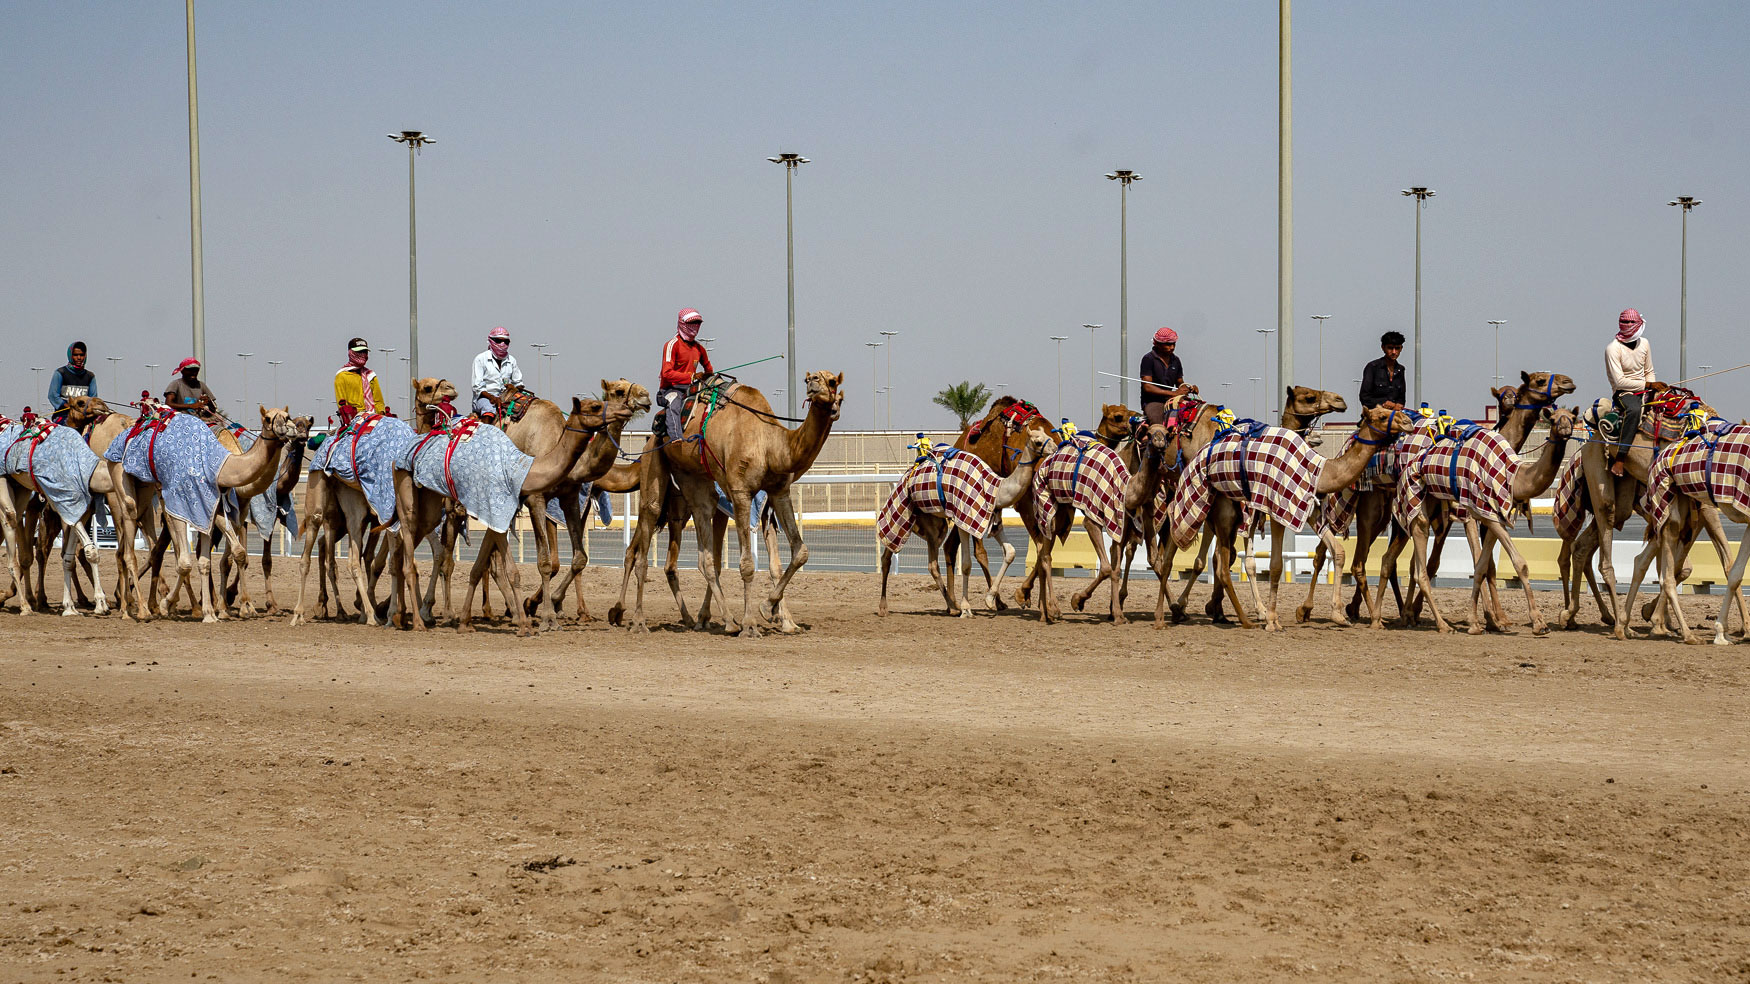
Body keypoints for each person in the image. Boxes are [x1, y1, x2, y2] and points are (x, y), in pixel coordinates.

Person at [1605, 308, 1657, 477]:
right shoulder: (1613, 349)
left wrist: (1654, 385)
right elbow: (1620, 381)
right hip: (1624, 393)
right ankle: (1620, 458)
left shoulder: (1645, 344)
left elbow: (1649, 370)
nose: (1628, 325)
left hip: (1645, 388)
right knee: (1634, 410)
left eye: (1631, 322)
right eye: (1625, 322)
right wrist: (1647, 384)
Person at [656, 308, 713, 439]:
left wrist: (707, 375)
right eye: (692, 323)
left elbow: (709, 369)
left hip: (691, 389)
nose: (695, 326)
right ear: (682, 323)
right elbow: (666, 373)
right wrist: (692, 376)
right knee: (674, 401)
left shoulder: (699, 348)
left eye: (698, 323)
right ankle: (676, 438)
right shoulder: (672, 345)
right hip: (670, 389)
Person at [1138, 326, 1195, 425]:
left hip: (1173, 400)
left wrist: (1189, 388)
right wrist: (1173, 394)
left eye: (1173, 344)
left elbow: (1180, 383)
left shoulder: (1176, 360)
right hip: (1153, 402)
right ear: (1158, 344)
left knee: (1192, 416)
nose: (1172, 347)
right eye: (1168, 344)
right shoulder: (1148, 359)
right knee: (1159, 426)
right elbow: (1147, 387)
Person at [471, 326, 523, 421]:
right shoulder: (481, 359)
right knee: (489, 411)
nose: (502, 344)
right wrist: (492, 398)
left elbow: (518, 383)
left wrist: (514, 388)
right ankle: (485, 435)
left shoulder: (511, 360)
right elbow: (477, 387)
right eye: (498, 341)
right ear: (491, 341)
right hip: (486, 398)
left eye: (506, 341)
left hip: (507, 397)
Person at [333, 337, 388, 426]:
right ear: (351, 353)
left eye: (364, 352)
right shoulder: (341, 376)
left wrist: (381, 416)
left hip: (375, 419)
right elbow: (342, 405)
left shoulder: (371, 375)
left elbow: (379, 401)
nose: (362, 355)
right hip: (355, 420)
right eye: (359, 352)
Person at [47, 341, 99, 419]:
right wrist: (68, 406)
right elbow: (53, 396)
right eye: (75, 355)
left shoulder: (90, 376)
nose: (79, 358)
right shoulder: (60, 373)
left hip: (84, 417)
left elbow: (93, 398)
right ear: (70, 355)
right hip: (64, 416)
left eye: (81, 355)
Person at [1358, 331, 1407, 411]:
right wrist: (1383, 403)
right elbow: (1364, 397)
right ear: (1383, 348)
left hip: (1393, 416)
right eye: (1390, 348)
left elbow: (1401, 398)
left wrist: (1398, 405)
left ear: (1401, 348)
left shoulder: (1400, 370)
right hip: (1375, 416)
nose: (1394, 352)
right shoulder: (1372, 367)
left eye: (1397, 348)